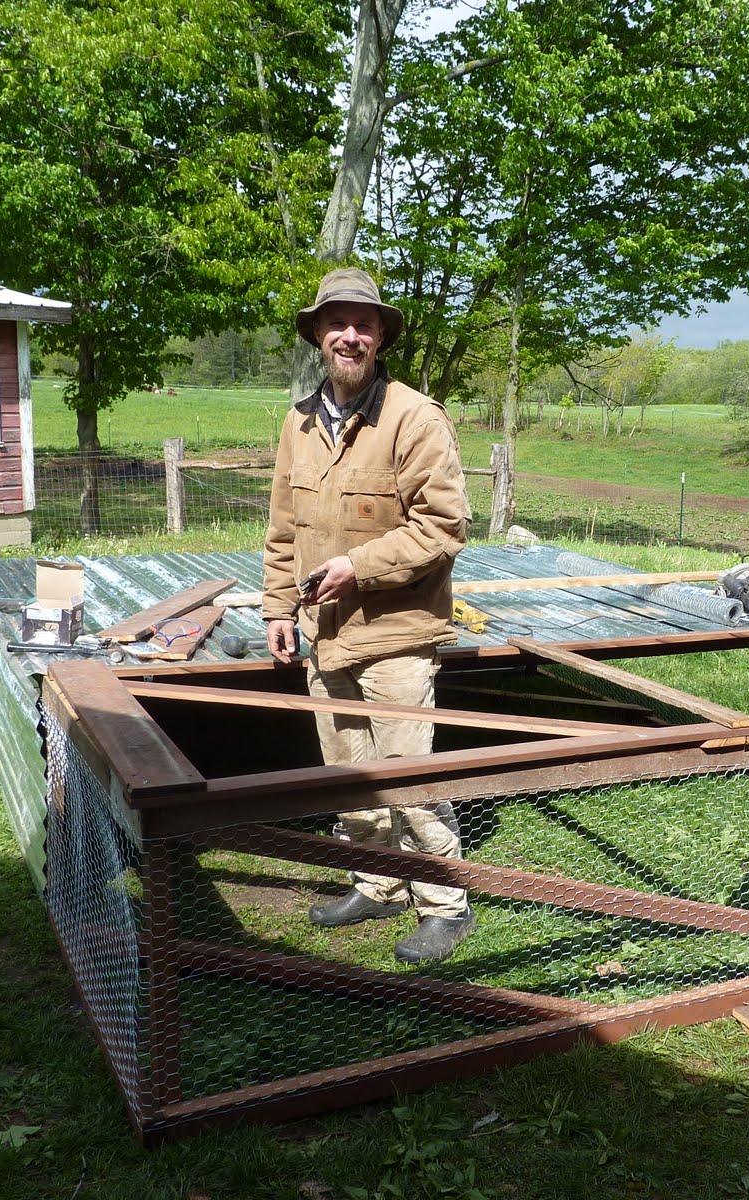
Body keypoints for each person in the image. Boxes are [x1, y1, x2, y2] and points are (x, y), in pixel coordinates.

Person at [262, 267, 475, 964]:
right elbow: (283, 529)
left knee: (410, 780)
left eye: (364, 324)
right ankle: (378, 885)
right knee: (350, 777)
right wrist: (276, 610)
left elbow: (443, 527)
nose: (349, 335)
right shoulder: (297, 420)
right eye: (337, 323)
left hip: (398, 635)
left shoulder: (415, 417)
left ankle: (446, 904)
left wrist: (359, 567)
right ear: (319, 335)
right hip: (325, 634)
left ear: (381, 337)